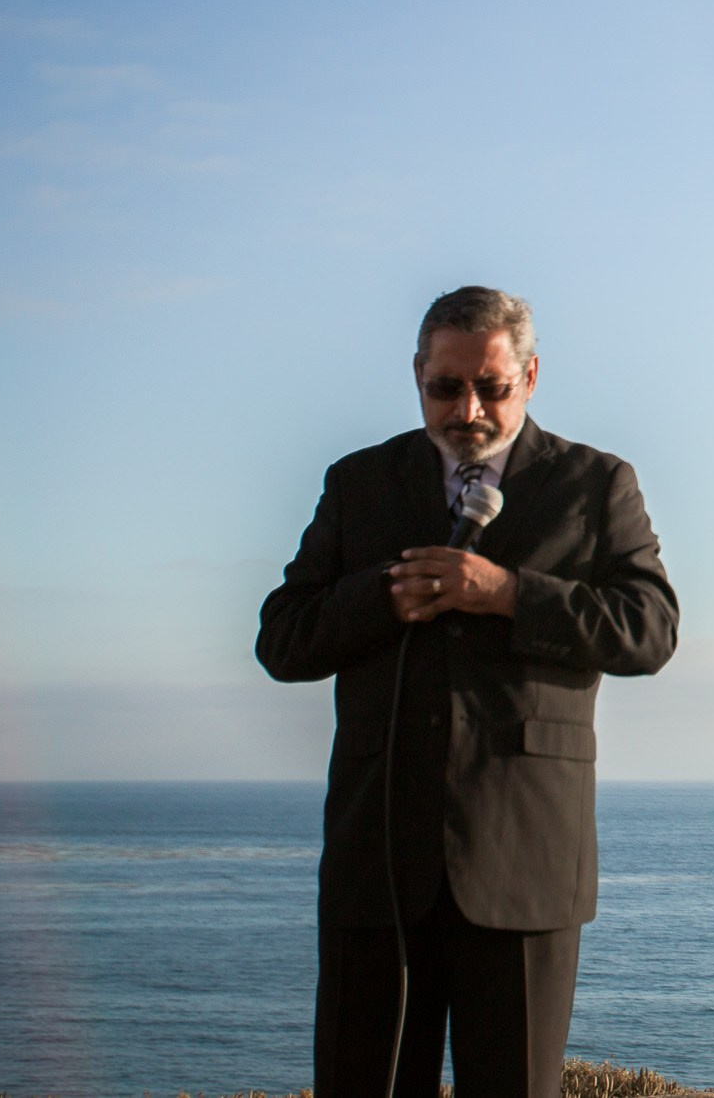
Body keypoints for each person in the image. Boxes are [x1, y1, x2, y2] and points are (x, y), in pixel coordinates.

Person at [257, 286, 680, 1098]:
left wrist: (510, 593)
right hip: (375, 864)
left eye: (491, 386)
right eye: (445, 387)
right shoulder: (359, 483)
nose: (469, 409)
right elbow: (282, 638)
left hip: (525, 864)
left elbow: (650, 628)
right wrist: (378, 595)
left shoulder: (596, 484)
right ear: (418, 374)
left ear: (530, 375)